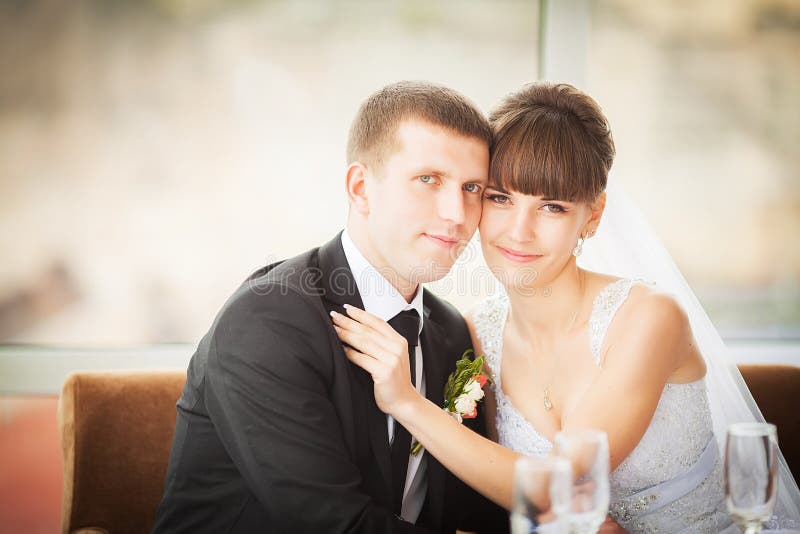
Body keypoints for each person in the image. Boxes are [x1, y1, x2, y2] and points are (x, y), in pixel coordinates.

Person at [333, 82, 800, 532]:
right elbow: (489, 494)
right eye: (500, 198)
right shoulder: (475, 331)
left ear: (592, 216)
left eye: (552, 207)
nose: (519, 232)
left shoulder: (649, 318)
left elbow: (564, 483)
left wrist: (408, 404)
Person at [152, 81, 508, 533]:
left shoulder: (450, 330)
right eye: (428, 180)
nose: (457, 213)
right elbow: (335, 524)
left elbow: (469, 504)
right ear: (361, 188)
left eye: (472, 187)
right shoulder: (266, 322)